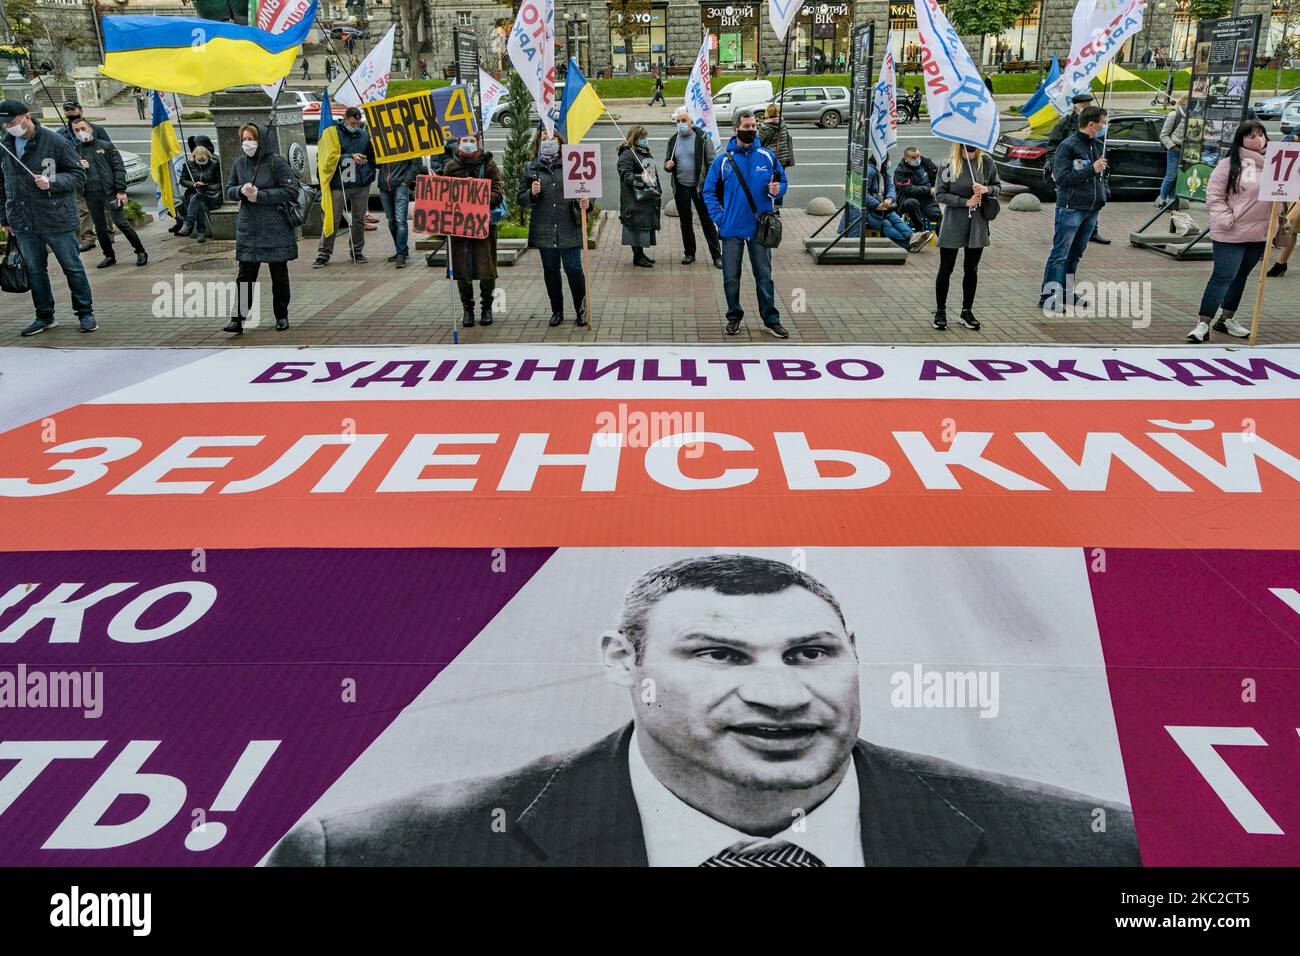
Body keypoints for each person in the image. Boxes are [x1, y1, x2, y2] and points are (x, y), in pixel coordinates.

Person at [267, 553, 1142, 867]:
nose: (781, 694)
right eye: (719, 655)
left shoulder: (1088, 847)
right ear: (625, 662)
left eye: (810, 654)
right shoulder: (376, 855)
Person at [0, 100, 96, 335]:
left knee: (72, 267)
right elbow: (1, 185)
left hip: (56, 218)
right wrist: (4, 218)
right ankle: (44, 316)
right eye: (4, 125)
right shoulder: (5, 145)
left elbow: (78, 175)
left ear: (27, 117)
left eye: (11, 122)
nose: (8, 127)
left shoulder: (55, 141)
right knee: (34, 270)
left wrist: (52, 182)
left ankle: (85, 313)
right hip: (22, 221)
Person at [703, 109, 790, 338]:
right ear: (735, 129)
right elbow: (708, 191)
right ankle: (734, 316)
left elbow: (782, 180)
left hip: (760, 229)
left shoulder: (767, 156)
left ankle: (771, 319)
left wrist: (778, 189)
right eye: (747, 126)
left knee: (764, 276)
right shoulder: (723, 160)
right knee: (731, 277)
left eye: (754, 126)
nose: (751, 130)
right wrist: (719, 218)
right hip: (731, 229)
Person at [1186, 121, 1273, 342]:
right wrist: (1227, 219)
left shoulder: (1275, 164)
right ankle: (1203, 323)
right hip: (1231, 231)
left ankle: (1226, 319)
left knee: (1240, 276)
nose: (1259, 140)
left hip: (1260, 232)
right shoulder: (1228, 164)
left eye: (1261, 135)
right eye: (1252, 136)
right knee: (1223, 275)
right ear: (1241, 139)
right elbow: (1214, 197)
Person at [222, 123, 298, 335]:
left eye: (251, 139)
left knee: (279, 274)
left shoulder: (277, 163)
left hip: (275, 227)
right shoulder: (239, 164)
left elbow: (291, 191)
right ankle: (238, 319)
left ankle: (281, 315)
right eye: (243, 139)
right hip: (249, 228)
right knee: (245, 275)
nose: (246, 143)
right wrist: (240, 190)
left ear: (262, 140)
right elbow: (228, 189)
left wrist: (260, 196)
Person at [1040, 105, 1109, 314]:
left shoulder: (1098, 145)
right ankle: (1048, 295)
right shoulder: (1068, 147)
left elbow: (1103, 174)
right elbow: (1062, 178)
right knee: (1060, 254)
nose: (1105, 126)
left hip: (1092, 208)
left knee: (1075, 254)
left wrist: (1104, 191)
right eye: (1103, 122)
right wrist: (1091, 170)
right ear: (1091, 124)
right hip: (1071, 208)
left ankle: (1067, 291)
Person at [518, 126, 590, 327]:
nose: (548, 141)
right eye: (544, 138)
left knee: (574, 269)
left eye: (552, 138)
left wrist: (586, 202)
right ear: (538, 143)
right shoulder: (531, 168)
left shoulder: (571, 164)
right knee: (551, 270)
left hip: (568, 226)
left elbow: (586, 190)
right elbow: (521, 199)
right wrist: (531, 193)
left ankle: (581, 309)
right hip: (545, 228)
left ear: (559, 142)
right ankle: (557, 310)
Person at [932, 141, 1000, 331]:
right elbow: (940, 194)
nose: (970, 152)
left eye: (974, 149)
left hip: (977, 223)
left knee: (971, 269)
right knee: (946, 268)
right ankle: (940, 311)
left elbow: (997, 186)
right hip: (954, 221)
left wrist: (986, 190)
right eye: (966, 149)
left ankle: (966, 311)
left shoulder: (986, 162)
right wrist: (964, 201)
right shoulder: (948, 165)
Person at [442, 133, 503, 326]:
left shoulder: (488, 164)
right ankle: (467, 309)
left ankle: (487, 308)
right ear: (458, 143)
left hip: (483, 226)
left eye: (472, 140)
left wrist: (478, 194)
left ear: (478, 143)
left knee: (486, 269)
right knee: (462, 269)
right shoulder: (451, 166)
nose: (468, 144)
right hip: (459, 228)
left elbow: (498, 193)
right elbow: (442, 196)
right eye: (464, 140)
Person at [69, 118, 147, 269]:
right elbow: (71, 174)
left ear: (90, 129)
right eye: (76, 130)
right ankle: (109, 255)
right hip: (90, 194)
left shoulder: (106, 146)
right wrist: (78, 166)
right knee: (99, 226)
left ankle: (140, 251)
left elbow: (118, 168)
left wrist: (121, 190)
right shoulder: (75, 150)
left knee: (121, 223)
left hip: (109, 192)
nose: (81, 132)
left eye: (83, 128)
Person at [314, 106, 374, 267]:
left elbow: (372, 156)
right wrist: (348, 157)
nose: (355, 126)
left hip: (361, 183)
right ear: (345, 119)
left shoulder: (364, 135)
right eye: (352, 123)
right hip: (338, 183)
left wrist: (369, 170)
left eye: (357, 123)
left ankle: (357, 251)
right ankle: (324, 253)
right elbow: (327, 156)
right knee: (332, 218)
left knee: (359, 219)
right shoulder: (333, 134)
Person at [1047, 92, 1110, 244]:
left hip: (1091, 187)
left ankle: (1092, 231)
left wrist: (1105, 191)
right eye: (1083, 106)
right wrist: (1052, 162)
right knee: (1063, 246)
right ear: (1076, 107)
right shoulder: (1066, 123)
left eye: (1088, 105)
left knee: (1091, 201)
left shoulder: (1095, 128)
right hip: (1071, 174)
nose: (1086, 108)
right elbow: (1052, 145)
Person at [665, 108, 721, 268]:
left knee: (707, 221)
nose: (681, 124)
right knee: (685, 222)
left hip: (700, 187)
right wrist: (668, 166)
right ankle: (689, 253)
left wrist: (710, 184)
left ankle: (717, 255)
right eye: (678, 121)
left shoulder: (701, 137)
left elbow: (711, 161)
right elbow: (667, 162)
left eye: (684, 121)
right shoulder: (673, 140)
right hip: (681, 186)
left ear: (691, 123)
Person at [60, 99, 110, 251]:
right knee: (82, 208)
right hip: (77, 174)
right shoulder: (61, 133)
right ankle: (88, 237)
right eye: (67, 110)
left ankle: (108, 232)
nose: (70, 112)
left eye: (73, 109)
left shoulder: (96, 129)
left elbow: (107, 149)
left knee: (104, 206)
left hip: (97, 174)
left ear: (80, 110)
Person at [863, 154, 931, 253]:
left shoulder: (882, 171)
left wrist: (889, 198)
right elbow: (862, 192)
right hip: (868, 211)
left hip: (881, 208)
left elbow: (890, 186)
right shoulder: (870, 171)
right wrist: (876, 204)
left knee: (895, 219)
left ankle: (913, 236)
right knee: (886, 225)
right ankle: (909, 245)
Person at [618, 124, 662, 268]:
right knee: (636, 229)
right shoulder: (627, 154)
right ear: (634, 138)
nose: (645, 140)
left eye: (646, 137)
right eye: (642, 138)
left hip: (645, 198)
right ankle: (638, 257)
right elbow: (626, 175)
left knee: (642, 227)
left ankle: (640, 255)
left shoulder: (643, 151)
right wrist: (641, 179)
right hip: (633, 199)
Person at [177, 136, 222, 242]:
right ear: (194, 158)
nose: (201, 163)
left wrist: (205, 185)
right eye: (198, 161)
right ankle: (200, 232)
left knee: (197, 198)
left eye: (204, 161)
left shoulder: (214, 164)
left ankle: (190, 224)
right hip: (194, 194)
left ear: (208, 157)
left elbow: (219, 184)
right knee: (198, 201)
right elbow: (183, 180)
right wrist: (193, 184)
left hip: (211, 195)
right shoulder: (189, 165)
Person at [893, 145, 941, 233]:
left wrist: (935, 187)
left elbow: (938, 176)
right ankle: (920, 228)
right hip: (908, 199)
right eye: (913, 157)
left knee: (938, 216)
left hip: (927, 199)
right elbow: (908, 190)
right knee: (911, 203)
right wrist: (928, 190)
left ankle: (942, 240)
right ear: (906, 159)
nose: (917, 159)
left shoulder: (927, 163)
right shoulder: (900, 171)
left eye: (918, 156)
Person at [757, 105, 794, 207]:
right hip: (782, 158)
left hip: (769, 159)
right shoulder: (782, 123)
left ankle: (767, 204)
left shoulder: (764, 127)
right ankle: (777, 207)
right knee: (778, 182)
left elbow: (759, 142)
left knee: (766, 181)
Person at [1157, 95, 1188, 209]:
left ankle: (1172, 201)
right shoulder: (1174, 114)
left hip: (1187, 151)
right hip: (1175, 149)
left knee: (1179, 177)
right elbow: (1163, 135)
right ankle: (1163, 200)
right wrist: (1173, 146)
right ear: (1183, 101)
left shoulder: (1194, 116)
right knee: (1171, 176)